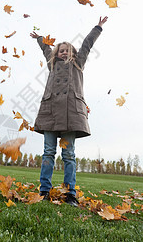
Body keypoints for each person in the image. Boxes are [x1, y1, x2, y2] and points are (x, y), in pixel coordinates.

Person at [30, 16, 108, 206]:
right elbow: (46, 49)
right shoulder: (52, 64)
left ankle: (69, 193)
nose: (64, 53)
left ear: (73, 53)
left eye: (68, 51)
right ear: (57, 53)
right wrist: (40, 38)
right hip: (50, 112)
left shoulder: (78, 64)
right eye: (61, 51)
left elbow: (87, 45)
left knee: (69, 155)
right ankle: (44, 191)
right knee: (48, 152)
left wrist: (98, 27)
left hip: (71, 114)